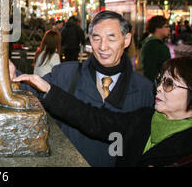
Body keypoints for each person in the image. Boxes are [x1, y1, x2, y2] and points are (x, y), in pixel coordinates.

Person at [19, 10, 154, 167]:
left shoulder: (145, 90)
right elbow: (27, 91)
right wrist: (11, 74)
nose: (103, 46)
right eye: (96, 38)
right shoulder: (65, 75)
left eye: (112, 38)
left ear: (126, 40)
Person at [13, 56, 192, 167]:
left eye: (169, 84)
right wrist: (47, 89)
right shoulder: (144, 119)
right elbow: (92, 118)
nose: (159, 88)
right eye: (160, 80)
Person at [140, 16, 171, 82]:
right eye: (166, 26)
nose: (169, 29)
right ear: (157, 28)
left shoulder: (154, 43)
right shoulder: (153, 45)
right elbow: (150, 70)